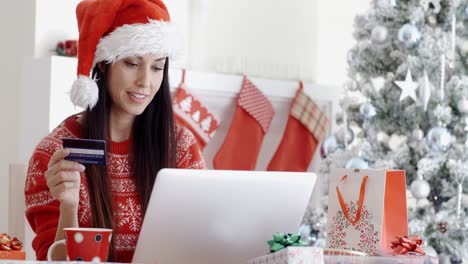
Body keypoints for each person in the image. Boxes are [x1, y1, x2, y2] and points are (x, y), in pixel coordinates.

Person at [24, 0, 206, 262]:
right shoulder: (55, 153)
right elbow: (52, 260)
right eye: (132, 63)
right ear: (102, 64)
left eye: (157, 67)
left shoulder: (181, 146)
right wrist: (69, 206)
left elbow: (201, 238)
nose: (145, 81)